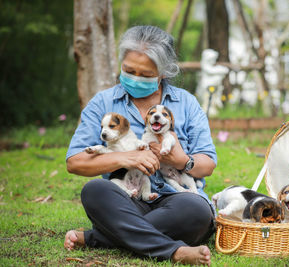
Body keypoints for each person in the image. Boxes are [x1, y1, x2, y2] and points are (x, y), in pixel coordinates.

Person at [64, 25, 217, 266]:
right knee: (94, 191)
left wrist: (180, 160)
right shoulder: (102, 102)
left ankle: (101, 238)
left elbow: (207, 164)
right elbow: (75, 162)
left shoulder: (186, 103)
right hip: (126, 200)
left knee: (196, 210)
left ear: (164, 73)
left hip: (175, 200)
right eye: (128, 70)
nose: (135, 78)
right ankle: (175, 251)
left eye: (145, 75)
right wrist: (127, 158)